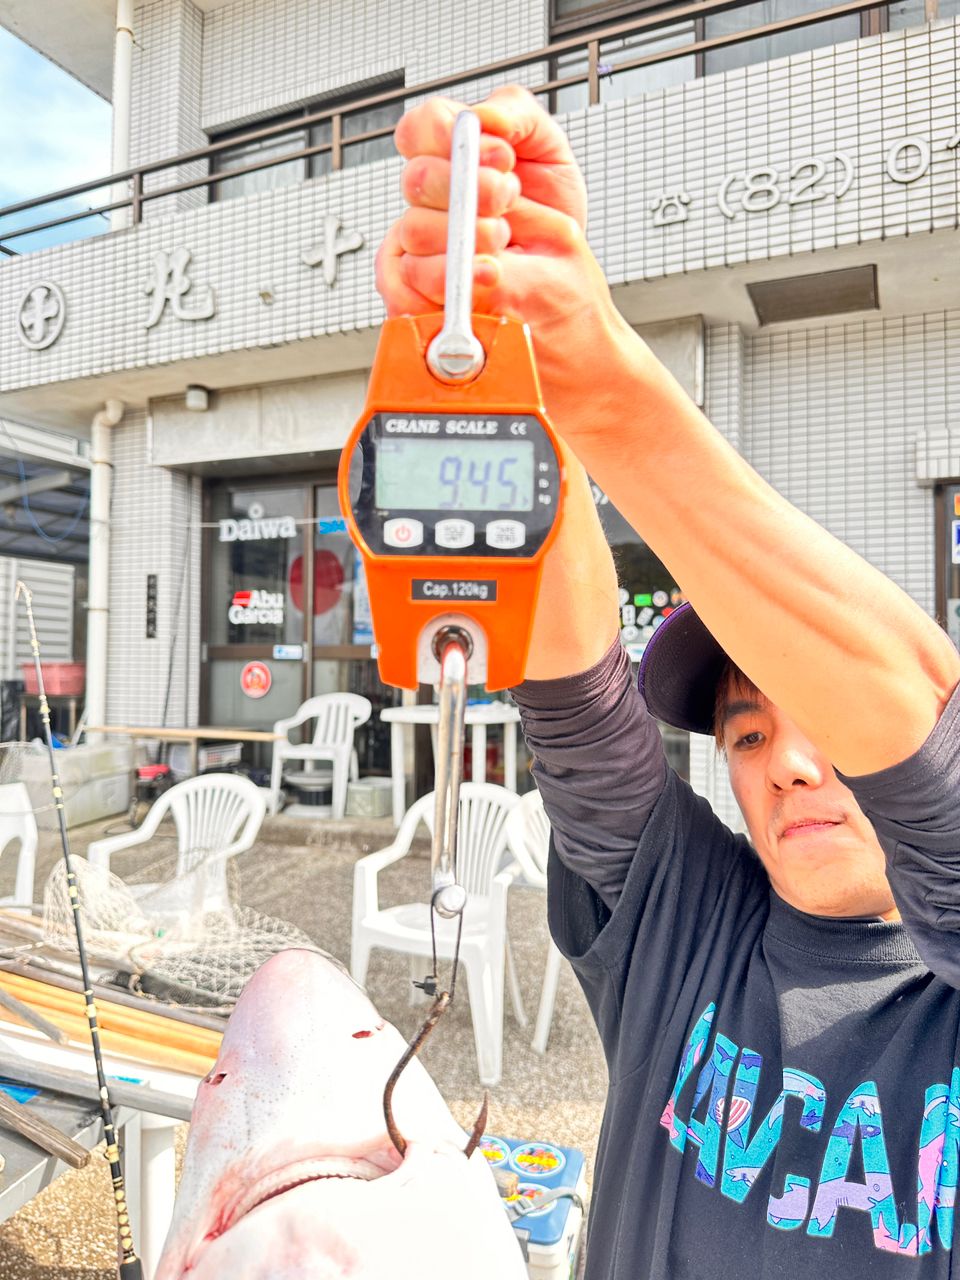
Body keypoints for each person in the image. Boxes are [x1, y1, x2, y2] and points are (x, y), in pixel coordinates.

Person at [377, 85, 960, 1278]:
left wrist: (607, 382)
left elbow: (925, 748)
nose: (790, 760)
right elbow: (584, 716)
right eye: (745, 736)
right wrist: (518, 368)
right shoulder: (689, 928)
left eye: (826, 729)